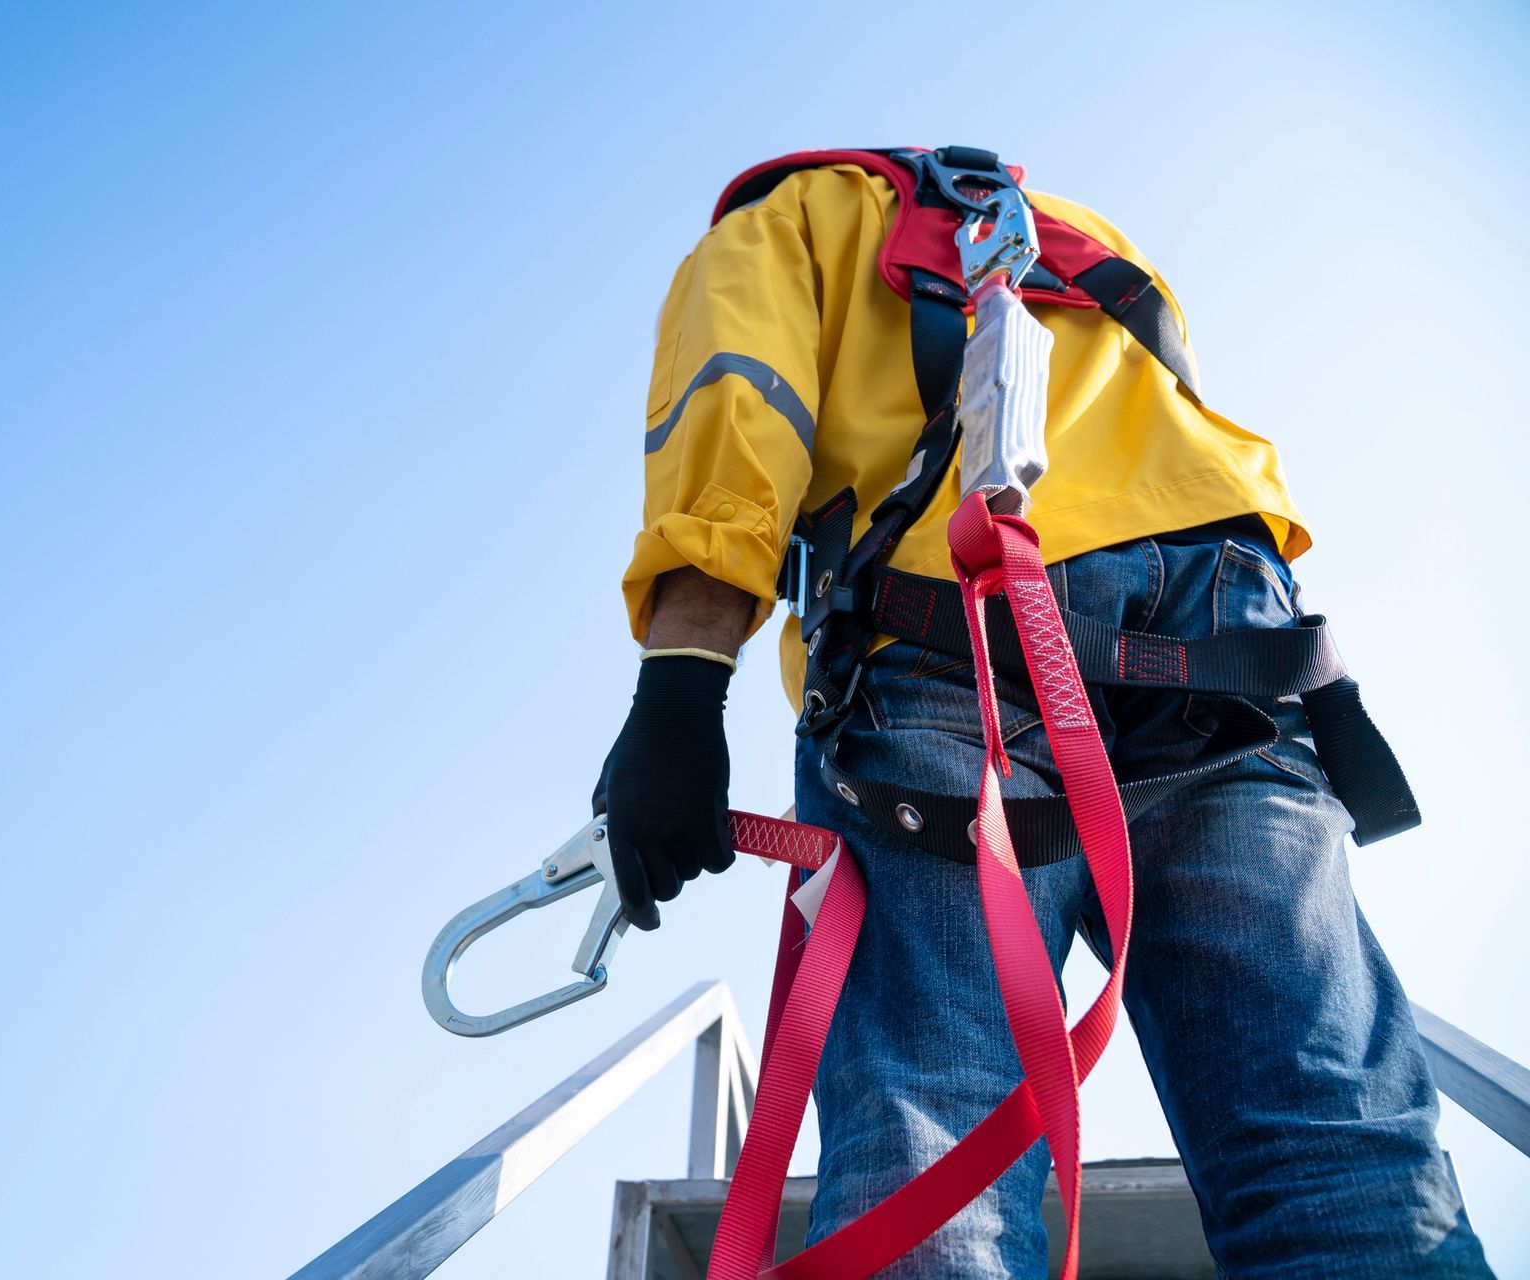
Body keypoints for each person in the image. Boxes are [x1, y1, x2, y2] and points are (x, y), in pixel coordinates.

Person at [592, 155, 1494, 1278]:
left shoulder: (784, 218)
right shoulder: (1093, 244)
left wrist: (680, 687)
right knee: (1329, 1143)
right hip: (1226, 646)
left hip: (943, 635)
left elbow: (736, 412)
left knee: (939, 1149)